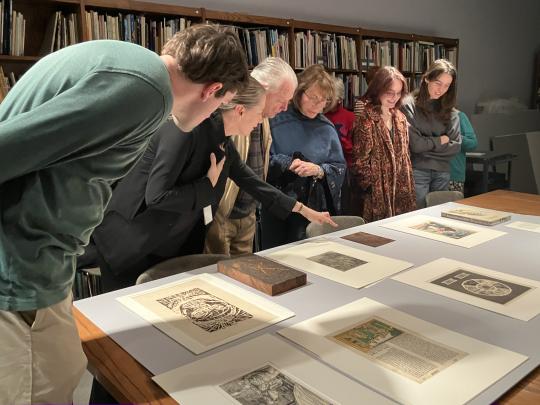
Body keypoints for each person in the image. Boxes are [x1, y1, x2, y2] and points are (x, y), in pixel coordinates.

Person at [0, 24, 248, 405]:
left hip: (39, 267)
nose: (215, 115)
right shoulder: (145, 90)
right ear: (212, 90)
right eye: (221, 104)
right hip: (18, 273)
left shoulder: (127, 62)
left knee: (63, 372)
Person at [90, 77, 336, 293]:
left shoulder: (222, 140)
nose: (261, 121)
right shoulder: (186, 129)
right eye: (259, 113)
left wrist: (302, 209)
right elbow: (157, 196)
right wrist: (207, 187)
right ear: (240, 110)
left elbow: (250, 181)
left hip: (170, 243)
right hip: (132, 242)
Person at [204, 57, 298, 256]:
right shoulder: (230, 111)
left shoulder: (264, 116)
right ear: (263, 88)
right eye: (282, 100)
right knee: (218, 276)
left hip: (248, 213)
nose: (285, 108)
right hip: (221, 214)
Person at [261, 64, 346, 249]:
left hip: (313, 207)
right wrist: (289, 163)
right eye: (312, 97)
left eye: (323, 100)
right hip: (277, 206)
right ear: (299, 92)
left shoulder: (327, 128)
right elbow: (261, 161)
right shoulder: (275, 119)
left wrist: (319, 170)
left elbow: (339, 167)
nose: (317, 104)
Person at [351, 66, 416, 222]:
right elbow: (360, 161)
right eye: (389, 92)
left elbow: (405, 155)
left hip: (402, 189)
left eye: (398, 93)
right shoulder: (366, 119)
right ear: (378, 89)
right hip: (378, 192)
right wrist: (372, 186)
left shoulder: (400, 117)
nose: (394, 97)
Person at [401, 59, 462, 207]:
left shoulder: (450, 109)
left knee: (439, 217)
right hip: (418, 170)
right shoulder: (408, 105)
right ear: (427, 78)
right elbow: (415, 145)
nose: (441, 90)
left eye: (447, 86)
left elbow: (456, 146)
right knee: (417, 217)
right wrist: (441, 140)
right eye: (438, 83)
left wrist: (426, 144)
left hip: (443, 171)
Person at [449, 110, 478, 194]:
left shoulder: (459, 116)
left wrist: (454, 136)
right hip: (427, 175)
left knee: (453, 206)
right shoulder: (426, 113)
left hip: (453, 175)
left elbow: (472, 143)